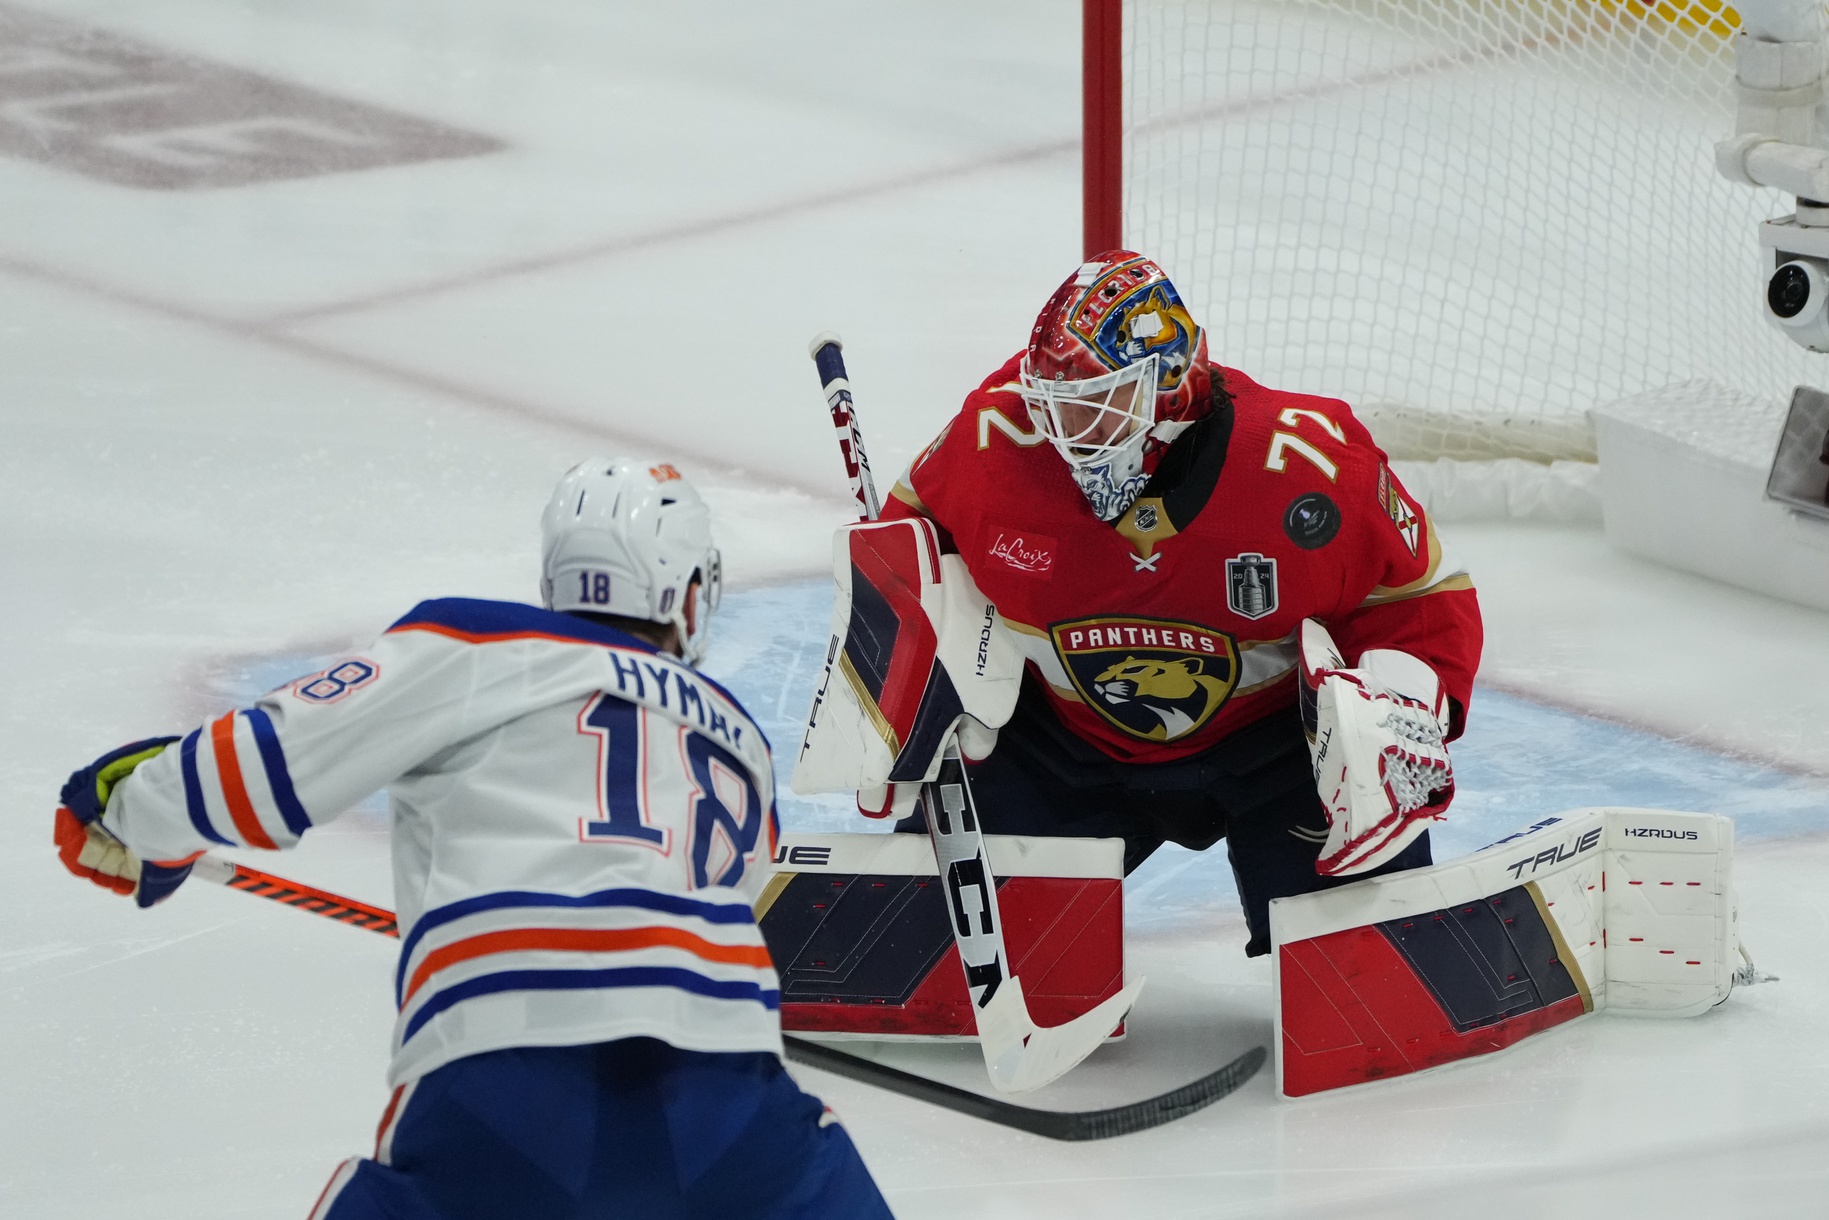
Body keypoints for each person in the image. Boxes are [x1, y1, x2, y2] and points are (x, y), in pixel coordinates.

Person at [53, 458, 894, 1220]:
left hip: (506, 1084)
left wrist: (130, 814)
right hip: (733, 1103)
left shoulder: (480, 644)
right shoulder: (737, 738)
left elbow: (262, 764)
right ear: (685, 592)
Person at [873, 250, 1485, 957]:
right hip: (1062, 743)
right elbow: (902, 554)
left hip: (1281, 753)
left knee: (1369, 978)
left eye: (1097, 404)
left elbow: (1422, 592)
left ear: (1170, 387)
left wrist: (1404, 705)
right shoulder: (993, 444)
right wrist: (899, 680)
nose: (1067, 431)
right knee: (920, 957)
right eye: (1055, 404)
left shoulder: (1309, 469)